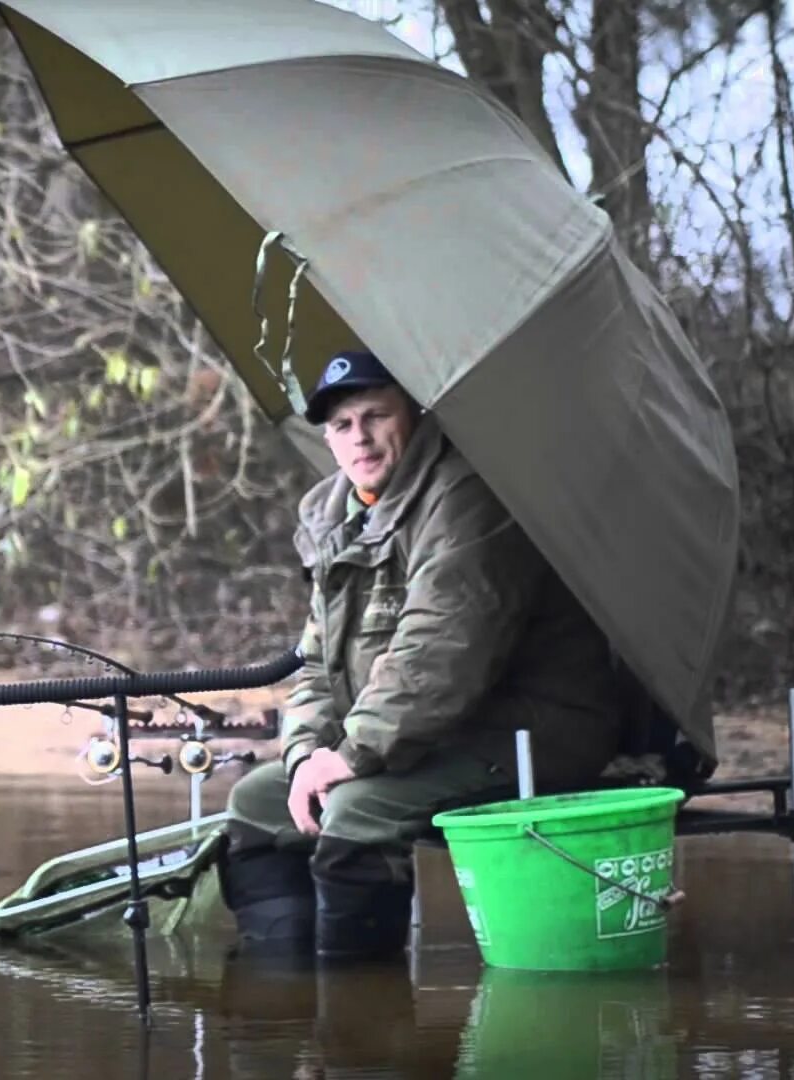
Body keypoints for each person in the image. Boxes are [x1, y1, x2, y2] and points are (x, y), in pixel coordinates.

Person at [216, 350, 624, 962]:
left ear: (414, 416)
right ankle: (285, 1022)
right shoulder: (334, 514)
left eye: (376, 416)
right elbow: (320, 667)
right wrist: (305, 757)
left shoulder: (469, 496)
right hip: (412, 736)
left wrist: (351, 756)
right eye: (343, 425)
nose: (361, 438)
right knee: (257, 802)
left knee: (358, 811)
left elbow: (440, 654)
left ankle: (360, 1029)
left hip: (529, 728)